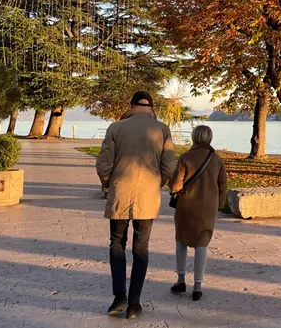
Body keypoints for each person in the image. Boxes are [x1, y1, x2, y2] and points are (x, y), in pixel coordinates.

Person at [96, 91, 176, 319]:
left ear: (131, 106)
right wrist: (157, 182)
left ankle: (118, 295)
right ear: (151, 107)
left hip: (120, 191)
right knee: (141, 247)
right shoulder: (161, 129)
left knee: (116, 243)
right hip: (148, 195)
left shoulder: (115, 128)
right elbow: (169, 165)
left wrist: (107, 183)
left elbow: (103, 162)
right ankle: (134, 303)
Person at [168, 125, 228, 301]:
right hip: (208, 207)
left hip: (186, 205)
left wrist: (172, 188)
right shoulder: (216, 159)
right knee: (202, 243)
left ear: (194, 137)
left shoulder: (186, 157)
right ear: (209, 137)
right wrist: (218, 204)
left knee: (181, 241)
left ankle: (180, 280)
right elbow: (223, 184)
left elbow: (176, 184)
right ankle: (198, 286)